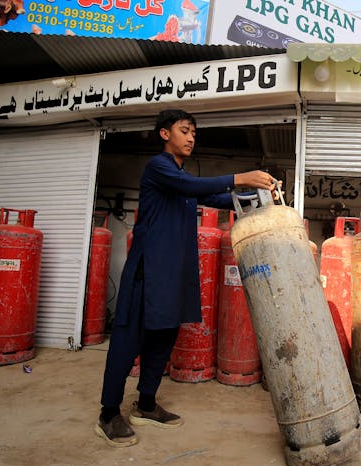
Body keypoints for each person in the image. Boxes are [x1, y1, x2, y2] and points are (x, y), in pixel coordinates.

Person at [96, 109, 278, 447]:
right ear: (165, 134)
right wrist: (242, 176)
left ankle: (146, 404)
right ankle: (108, 412)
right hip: (147, 271)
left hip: (174, 272)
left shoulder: (181, 180)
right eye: (184, 130)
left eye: (194, 132)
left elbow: (213, 196)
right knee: (127, 341)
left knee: (164, 337)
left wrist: (257, 195)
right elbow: (192, 185)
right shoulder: (159, 169)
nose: (191, 137)